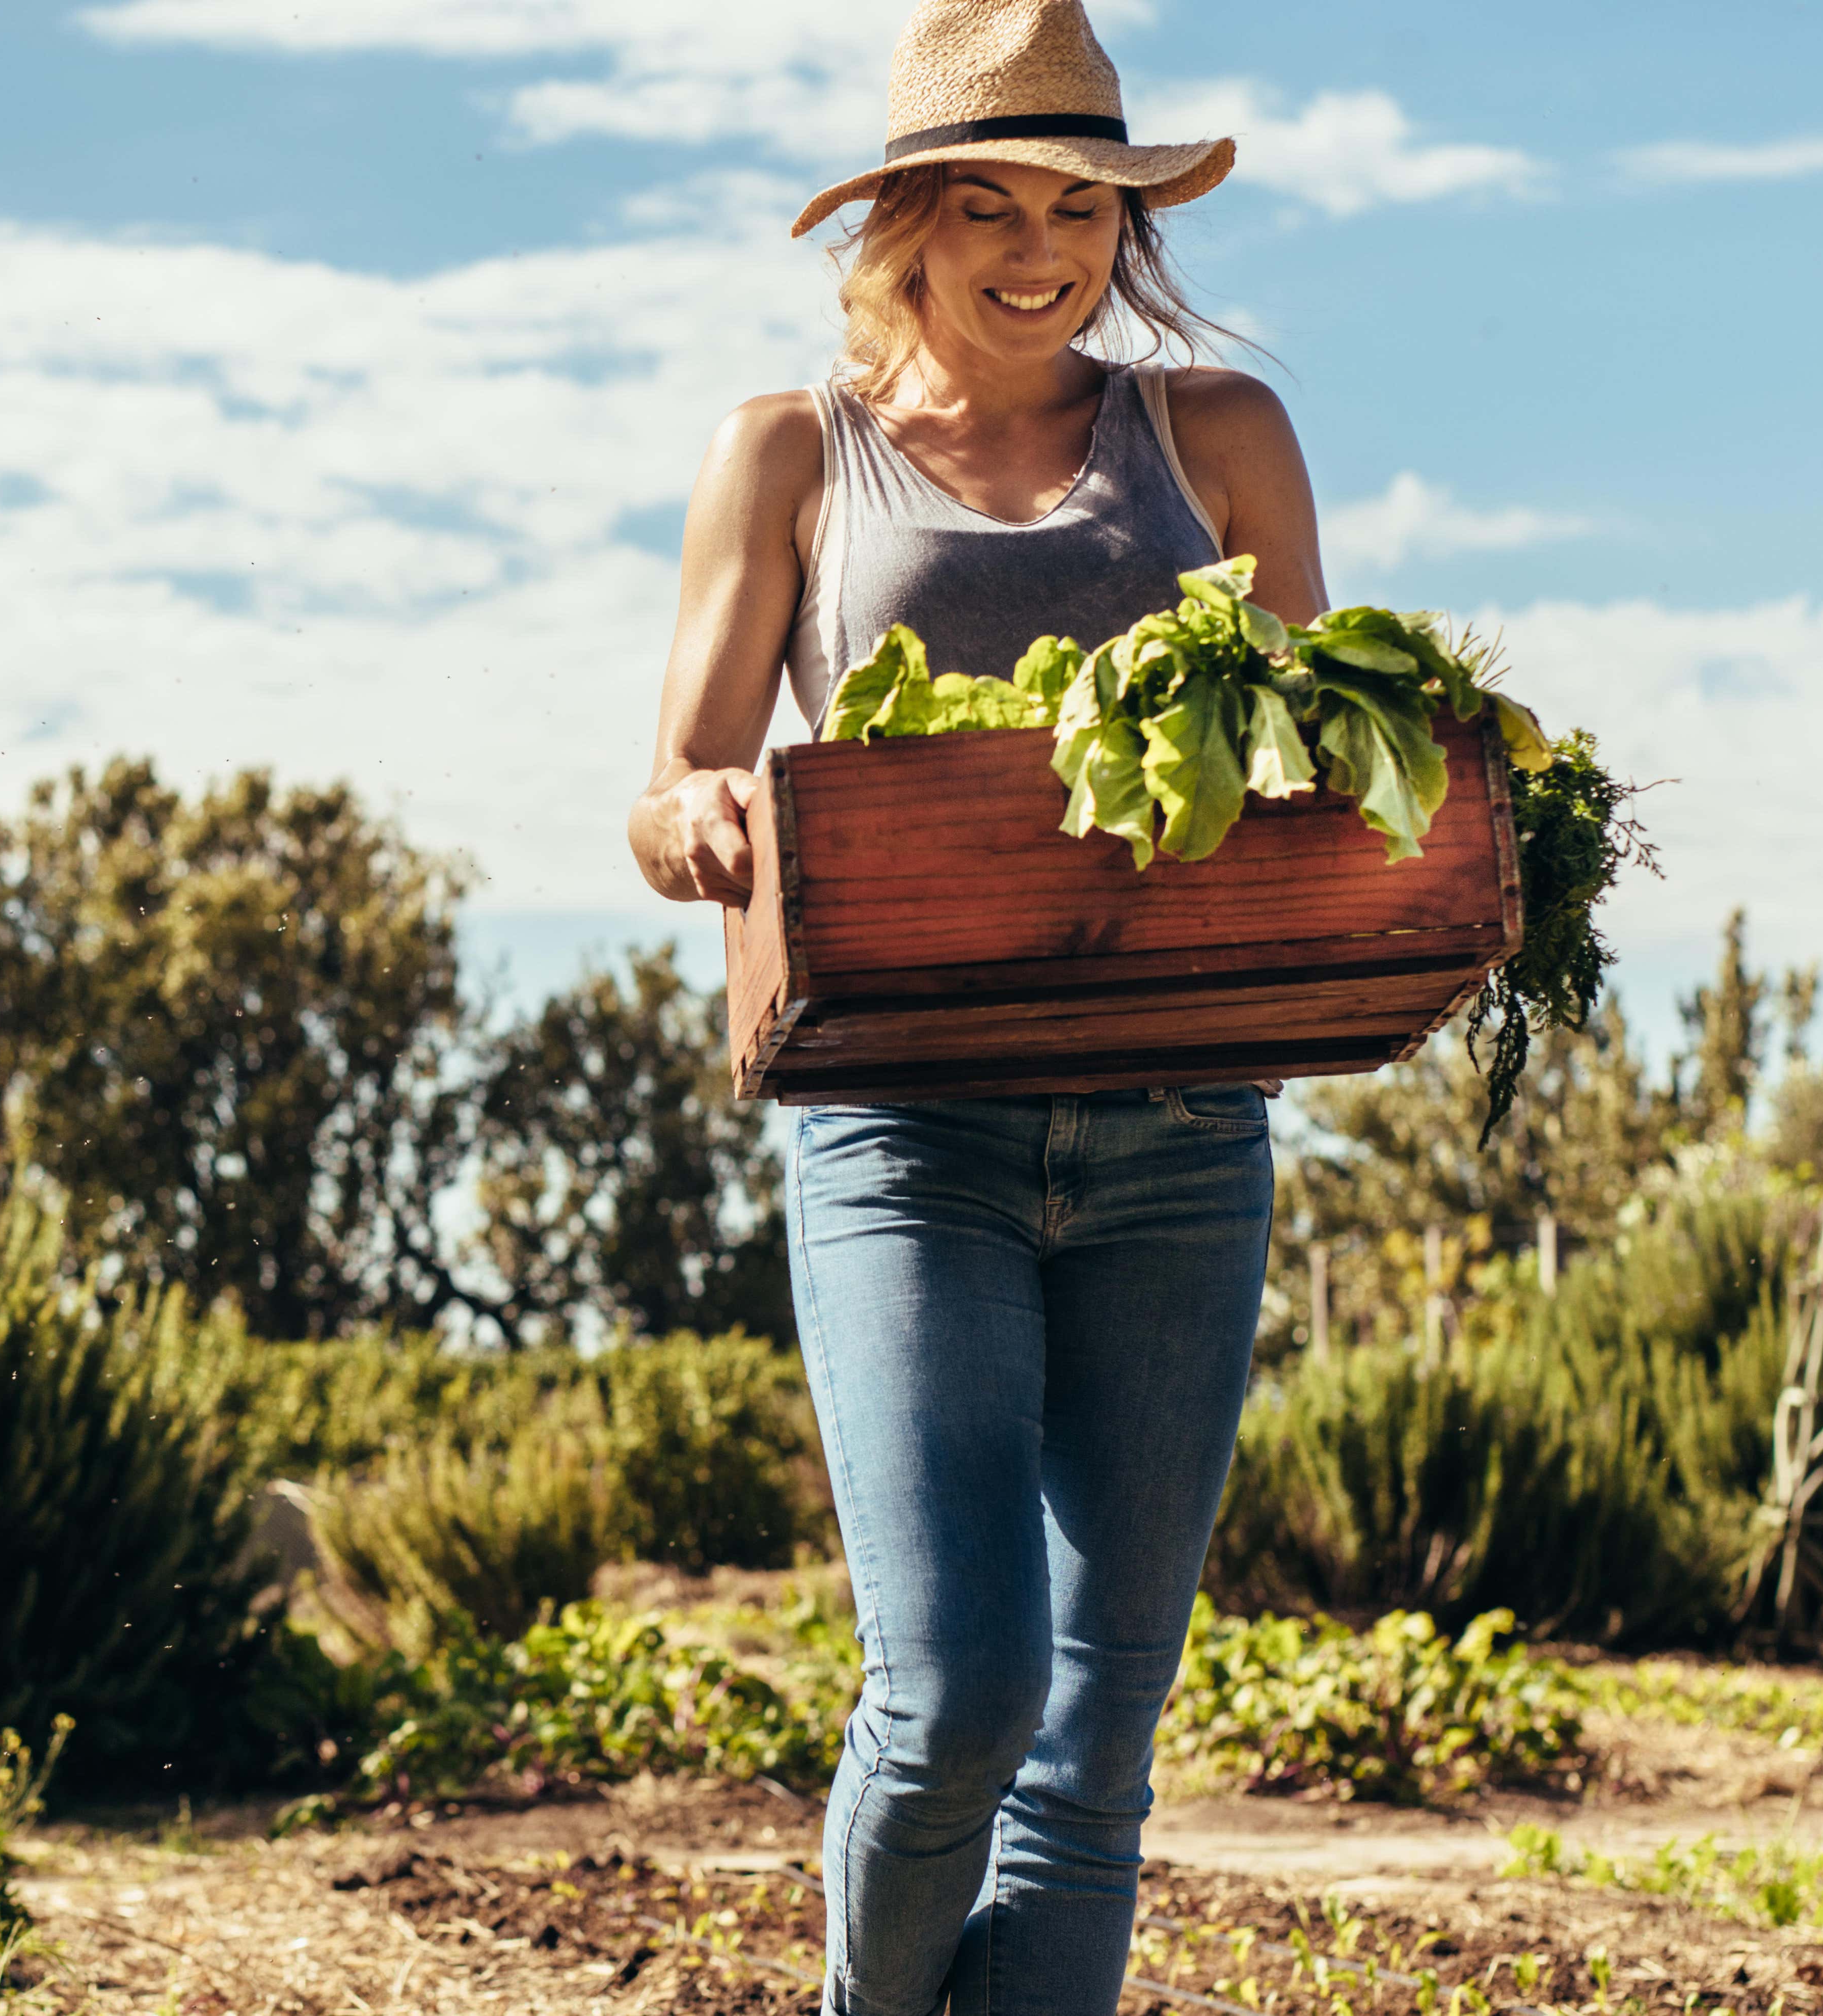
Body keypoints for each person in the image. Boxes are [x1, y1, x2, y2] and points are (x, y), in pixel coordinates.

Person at [623, 2, 1328, 2009]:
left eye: (1081, 211)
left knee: (1093, 1751)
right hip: (902, 1126)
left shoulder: (1218, 439)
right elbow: (676, 767)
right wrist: (688, 819)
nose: (1041, 251)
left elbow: (1274, 753)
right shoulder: (789, 450)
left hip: (1181, 1131)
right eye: (990, 206)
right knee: (956, 1693)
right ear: (904, 224)